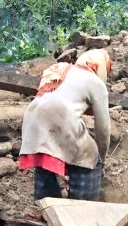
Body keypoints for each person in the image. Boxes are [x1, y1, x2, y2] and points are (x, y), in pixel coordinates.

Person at [18, 49, 111, 201]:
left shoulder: (58, 69)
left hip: (31, 116)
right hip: (61, 114)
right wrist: (102, 160)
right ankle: (82, 208)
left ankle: (46, 205)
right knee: (91, 160)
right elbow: (104, 129)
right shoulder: (95, 82)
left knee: (45, 153)